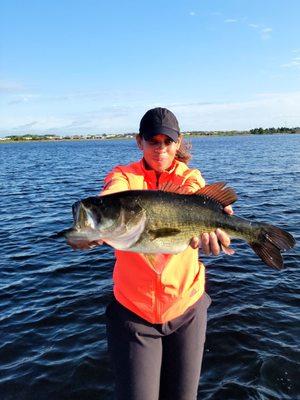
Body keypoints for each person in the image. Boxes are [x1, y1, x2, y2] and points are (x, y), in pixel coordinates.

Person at [68, 107, 233, 400]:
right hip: (133, 314)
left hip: (187, 309)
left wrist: (217, 219)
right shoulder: (123, 176)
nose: (160, 149)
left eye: (167, 141)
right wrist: (94, 231)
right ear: (139, 141)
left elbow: (194, 195)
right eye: (152, 141)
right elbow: (111, 194)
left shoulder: (189, 177)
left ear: (178, 142)